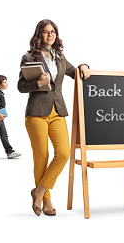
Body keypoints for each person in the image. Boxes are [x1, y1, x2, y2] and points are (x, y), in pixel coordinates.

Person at [18, 19, 90, 216]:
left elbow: (75, 73)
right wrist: (39, 83)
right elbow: (21, 86)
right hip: (36, 113)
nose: (50, 35)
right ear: (39, 35)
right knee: (42, 156)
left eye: (53, 32)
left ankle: (39, 192)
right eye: (45, 32)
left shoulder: (60, 56)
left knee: (64, 154)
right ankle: (47, 199)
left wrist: (84, 65)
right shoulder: (29, 57)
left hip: (57, 112)